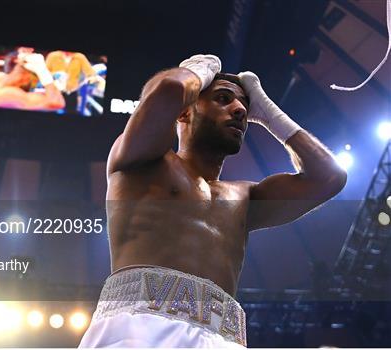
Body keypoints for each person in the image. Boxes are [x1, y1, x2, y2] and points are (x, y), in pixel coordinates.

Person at [79, 54, 347, 348]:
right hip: (140, 327)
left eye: (245, 106)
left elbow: (329, 177)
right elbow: (168, 90)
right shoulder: (140, 161)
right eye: (223, 98)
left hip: (223, 338)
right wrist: (199, 72)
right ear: (184, 113)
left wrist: (269, 113)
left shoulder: (244, 196)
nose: (240, 110)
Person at [0, 49, 65, 111]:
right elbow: (57, 103)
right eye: (30, 75)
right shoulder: (9, 95)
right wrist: (43, 72)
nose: (30, 81)